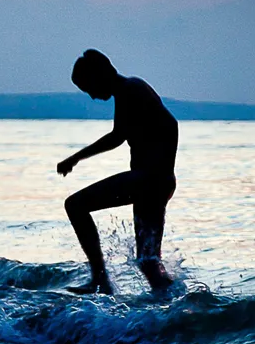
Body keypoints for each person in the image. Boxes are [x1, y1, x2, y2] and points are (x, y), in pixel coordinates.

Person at [57, 49, 178, 293]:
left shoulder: (130, 89)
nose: (91, 96)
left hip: (149, 179)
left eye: (88, 88)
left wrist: (75, 158)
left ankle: (100, 280)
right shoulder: (130, 90)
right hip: (156, 181)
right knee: (148, 262)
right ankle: (174, 307)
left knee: (75, 205)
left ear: (100, 75)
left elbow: (117, 136)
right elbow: (165, 125)